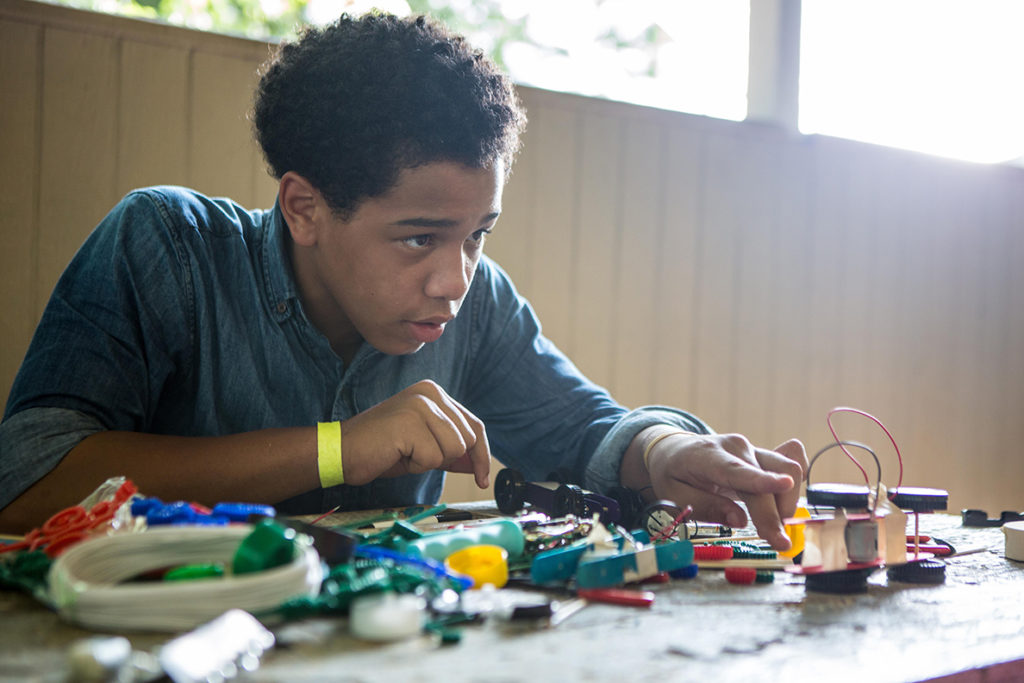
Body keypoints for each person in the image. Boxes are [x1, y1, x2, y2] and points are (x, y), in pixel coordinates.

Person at [0, 12, 807, 547]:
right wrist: (337, 449)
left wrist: (668, 452)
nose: (454, 279)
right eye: (419, 237)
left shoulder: (477, 304)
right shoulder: (167, 247)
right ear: (305, 207)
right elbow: (28, 478)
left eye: (477, 235)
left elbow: (586, 428)